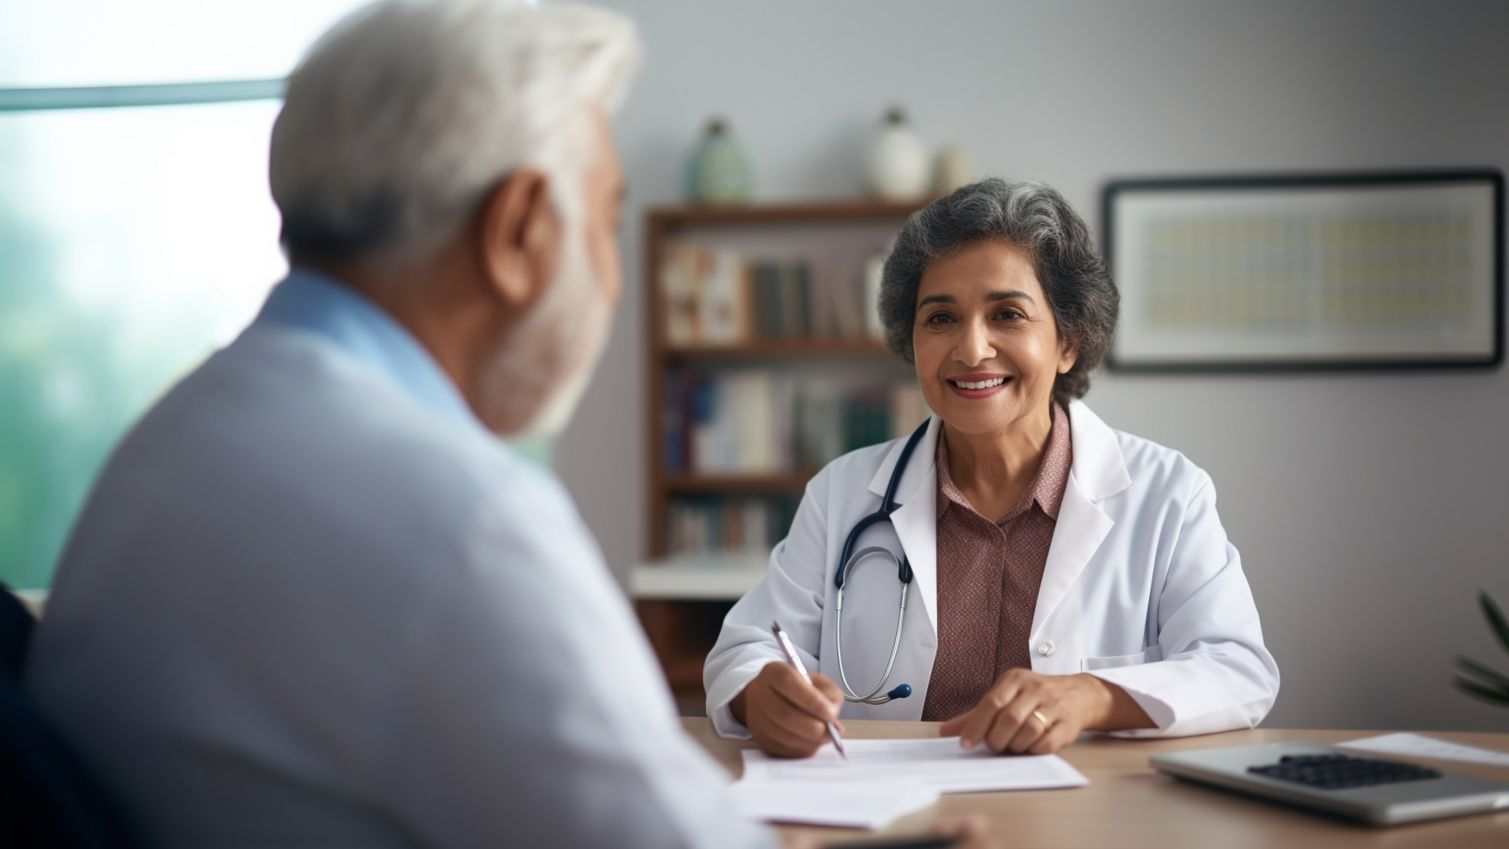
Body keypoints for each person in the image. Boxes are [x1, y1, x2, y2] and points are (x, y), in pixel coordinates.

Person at [22, 3, 783, 847]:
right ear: (518, 233)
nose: (609, 278)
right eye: (604, 222)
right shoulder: (464, 522)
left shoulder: (164, 443)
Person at [704, 178, 1281, 758]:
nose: (972, 349)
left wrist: (1091, 696)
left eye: (1007, 313)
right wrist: (761, 694)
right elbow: (746, 650)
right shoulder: (843, 494)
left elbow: (1238, 670)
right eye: (940, 319)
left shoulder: (1168, 493)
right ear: (912, 342)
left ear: (1068, 342)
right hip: (893, 810)